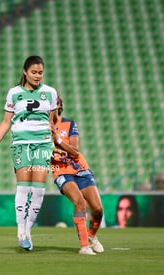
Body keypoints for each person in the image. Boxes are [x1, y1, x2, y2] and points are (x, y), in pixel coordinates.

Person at [0, 56, 58, 251]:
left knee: (39, 188)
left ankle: (28, 230)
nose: (37, 76)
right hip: (21, 144)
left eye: (40, 72)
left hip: (43, 144)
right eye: (34, 72)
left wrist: (55, 137)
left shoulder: (50, 92)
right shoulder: (14, 93)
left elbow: (54, 121)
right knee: (24, 187)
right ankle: (20, 231)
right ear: (25, 72)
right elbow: (6, 122)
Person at [50, 96, 104, 255]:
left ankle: (92, 236)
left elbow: (75, 151)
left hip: (80, 168)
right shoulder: (40, 128)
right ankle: (84, 246)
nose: (54, 106)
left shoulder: (69, 124)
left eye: (56, 103)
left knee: (98, 209)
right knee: (80, 202)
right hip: (60, 170)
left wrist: (57, 138)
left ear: (60, 106)